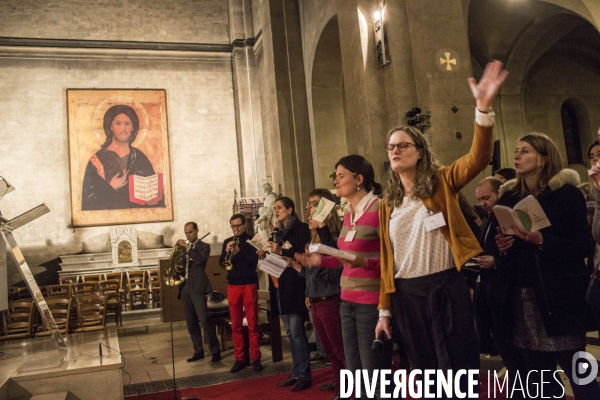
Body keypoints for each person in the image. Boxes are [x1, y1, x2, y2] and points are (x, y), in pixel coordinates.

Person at [375, 60, 508, 396]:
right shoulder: (387, 204)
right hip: (406, 295)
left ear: (420, 152)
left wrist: (482, 109)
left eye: (402, 145)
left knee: (458, 367)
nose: (395, 150)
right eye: (391, 147)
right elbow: (387, 263)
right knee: (423, 370)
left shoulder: (441, 182)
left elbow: (477, 158)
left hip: (445, 287)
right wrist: (384, 311)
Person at [495, 133, 599, 399]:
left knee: (576, 367)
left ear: (543, 159)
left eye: (525, 151)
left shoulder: (565, 194)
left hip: (559, 294)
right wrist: (504, 247)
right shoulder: (508, 198)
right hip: (524, 294)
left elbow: (581, 246)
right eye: (516, 151)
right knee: (537, 374)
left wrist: (543, 240)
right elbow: (511, 252)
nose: (516, 156)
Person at [299, 155, 391, 399]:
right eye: (335, 176)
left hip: (371, 303)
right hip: (347, 300)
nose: (336, 181)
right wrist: (320, 260)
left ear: (359, 179)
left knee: (374, 376)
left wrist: (365, 263)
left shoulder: (381, 208)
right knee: (355, 372)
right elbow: (346, 258)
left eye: (341, 176)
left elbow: (394, 260)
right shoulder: (349, 213)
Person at [288, 188, 344, 399]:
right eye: (308, 206)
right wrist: (295, 264)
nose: (308, 210)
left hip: (331, 299)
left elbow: (335, 268)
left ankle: (352, 390)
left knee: (341, 351)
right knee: (330, 352)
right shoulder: (314, 239)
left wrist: (321, 229)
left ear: (326, 208)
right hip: (316, 300)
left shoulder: (334, 236)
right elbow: (311, 272)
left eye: (313, 204)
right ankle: (341, 388)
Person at [260, 197, 312, 392]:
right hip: (280, 285)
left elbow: (302, 255)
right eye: (274, 208)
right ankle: (296, 371)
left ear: (290, 209)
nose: (276, 211)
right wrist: (266, 254)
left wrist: (282, 250)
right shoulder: (278, 232)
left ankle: (305, 375)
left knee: (298, 333)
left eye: (279, 207)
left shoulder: (301, 229)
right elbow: (278, 258)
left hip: (295, 285)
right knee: (289, 332)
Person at [82, 104, 164, 210]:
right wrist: (110, 187)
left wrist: (152, 200)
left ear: (133, 127)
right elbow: (87, 200)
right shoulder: (96, 160)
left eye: (127, 124)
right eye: (118, 123)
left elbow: (156, 198)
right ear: (111, 127)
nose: (123, 128)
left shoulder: (139, 157)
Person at [219, 214, 263, 373]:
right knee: (236, 325)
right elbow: (222, 263)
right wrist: (226, 252)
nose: (236, 229)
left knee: (253, 324)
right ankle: (240, 358)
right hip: (233, 286)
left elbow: (254, 262)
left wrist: (238, 252)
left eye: (238, 225)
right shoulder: (227, 241)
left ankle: (256, 357)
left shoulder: (254, 240)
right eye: (233, 226)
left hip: (249, 284)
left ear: (245, 225)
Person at [177, 222, 222, 363]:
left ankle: (215, 351)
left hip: (198, 287)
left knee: (204, 319)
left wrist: (187, 247)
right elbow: (180, 266)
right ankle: (198, 351)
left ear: (197, 231)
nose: (188, 235)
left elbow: (198, 260)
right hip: (185, 287)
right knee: (191, 322)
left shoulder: (204, 246)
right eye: (186, 233)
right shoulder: (184, 248)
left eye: (190, 232)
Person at [474, 177, 503, 355]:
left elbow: (518, 253)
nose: (483, 203)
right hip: (490, 287)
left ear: (499, 193)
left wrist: (496, 261)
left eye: (486, 198)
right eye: (479, 200)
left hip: (503, 287)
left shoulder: (503, 217)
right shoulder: (489, 219)